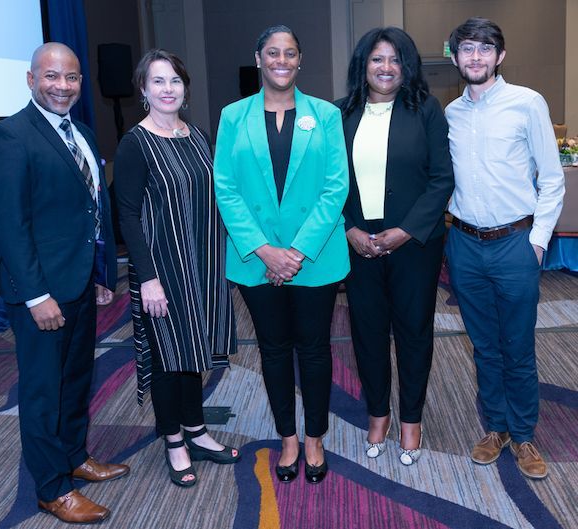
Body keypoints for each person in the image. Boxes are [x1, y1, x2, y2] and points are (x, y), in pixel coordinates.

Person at [0, 43, 128, 524]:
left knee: (75, 380)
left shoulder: (82, 132)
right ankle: (51, 488)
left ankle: (73, 457)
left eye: (71, 78)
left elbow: (91, 211)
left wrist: (100, 275)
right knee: (44, 391)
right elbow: (9, 224)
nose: (62, 86)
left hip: (80, 284)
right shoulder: (9, 137)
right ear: (30, 80)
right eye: (51, 77)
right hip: (40, 292)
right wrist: (35, 294)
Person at [214, 25, 349, 484]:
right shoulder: (233, 116)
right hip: (255, 258)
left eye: (290, 53)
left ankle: (314, 438)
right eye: (272, 52)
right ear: (258, 58)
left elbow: (336, 189)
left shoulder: (326, 115)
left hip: (314, 258)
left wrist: (294, 252)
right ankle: (287, 439)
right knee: (272, 351)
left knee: (313, 350)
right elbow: (225, 188)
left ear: (300, 60)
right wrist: (266, 251)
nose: (281, 60)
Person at [113, 49, 239, 489]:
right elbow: (127, 215)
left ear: (185, 89)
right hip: (161, 272)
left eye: (175, 82)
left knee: (193, 355)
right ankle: (174, 442)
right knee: (168, 358)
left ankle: (198, 430)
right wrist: (147, 277)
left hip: (202, 267)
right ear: (143, 90)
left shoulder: (197, 135)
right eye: (158, 82)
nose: (168, 90)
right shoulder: (135, 143)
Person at [445, 17, 565, 479]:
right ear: (455, 57)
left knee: (517, 346)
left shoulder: (527, 103)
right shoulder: (450, 113)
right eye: (467, 49)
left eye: (484, 48)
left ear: (500, 56)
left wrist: (537, 242)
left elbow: (552, 179)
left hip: (516, 243)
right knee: (483, 346)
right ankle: (495, 428)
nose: (475, 57)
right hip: (465, 244)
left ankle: (524, 434)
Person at [337, 27, 454, 466]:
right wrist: (348, 229)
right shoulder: (340, 113)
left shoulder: (426, 109)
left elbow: (442, 178)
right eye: (376, 59)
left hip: (415, 244)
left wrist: (404, 231)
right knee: (366, 334)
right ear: (362, 65)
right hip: (357, 243)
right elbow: (330, 185)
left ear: (407, 66)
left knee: (413, 332)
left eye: (395, 60)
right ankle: (377, 415)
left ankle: (411, 420)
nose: (386, 68)